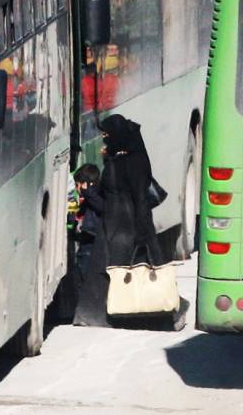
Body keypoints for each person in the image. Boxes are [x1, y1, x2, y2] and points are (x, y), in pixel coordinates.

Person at [73, 114, 167, 327]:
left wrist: (143, 232)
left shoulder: (135, 161)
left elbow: (140, 198)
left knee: (133, 271)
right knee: (108, 273)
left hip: (130, 226)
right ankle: (102, 313)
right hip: (112, 226)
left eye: (107, 135)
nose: (105, 140)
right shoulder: (118, 158)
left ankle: (137, 313)